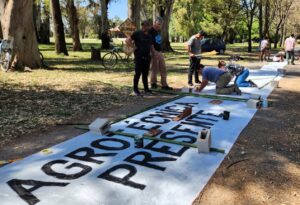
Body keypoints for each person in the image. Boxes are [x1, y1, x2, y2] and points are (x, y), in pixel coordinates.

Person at [126, 20, 153, 96]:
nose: (144, 27)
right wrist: (133, 47)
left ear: (149, 26)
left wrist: (152, 55)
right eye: (143, 25)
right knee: (138, 74)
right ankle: (135, 89)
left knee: (145, 74)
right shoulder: (137, 33)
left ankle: (146, 89)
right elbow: (127, 40)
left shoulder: (150, 36)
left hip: (147, 57)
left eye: (146, 25)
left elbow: (151, 46)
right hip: (139, 57)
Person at [148, 17, 172, 90]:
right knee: (154, 68)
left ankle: (164, 85)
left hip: (159, 51)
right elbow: (150, 43)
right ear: (154, 22)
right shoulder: (150, 31)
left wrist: (160, 51)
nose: (159, 26)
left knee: (163, 68)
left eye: (160, 24)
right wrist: (154, 52)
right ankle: (153, 84)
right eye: (158, 24)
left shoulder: (158, 31)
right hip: (153, 51)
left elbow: (158, 42)